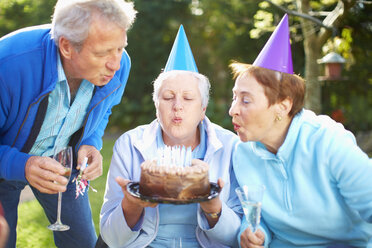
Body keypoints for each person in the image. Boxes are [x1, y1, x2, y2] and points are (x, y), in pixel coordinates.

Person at [0, 0, 137, 247]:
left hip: (63, 167)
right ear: (66, 46)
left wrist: (91, 143)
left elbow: (103, 112)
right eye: (102, 53)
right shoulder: (7, 64)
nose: (115, 64)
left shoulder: (120, 65)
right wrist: (21, 164)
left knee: (82, 243)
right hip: (3, 164)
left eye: (120, 48)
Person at [229, 14, 372, 248]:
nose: (232, 110)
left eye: (245, 100)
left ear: (282, 106)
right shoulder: (242, 152)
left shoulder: (327, 140)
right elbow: (255, 216)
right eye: (235, 97)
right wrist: (253, 233)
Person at [99, 25, 242, 248]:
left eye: (188, 98)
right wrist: (132, 203)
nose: (177, 107)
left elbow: (237, 238)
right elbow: (111, 240)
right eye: (168, 97)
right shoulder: (129, 144)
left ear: (203, 108)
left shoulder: (231, 146)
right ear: (156, 106)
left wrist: (213, 207)